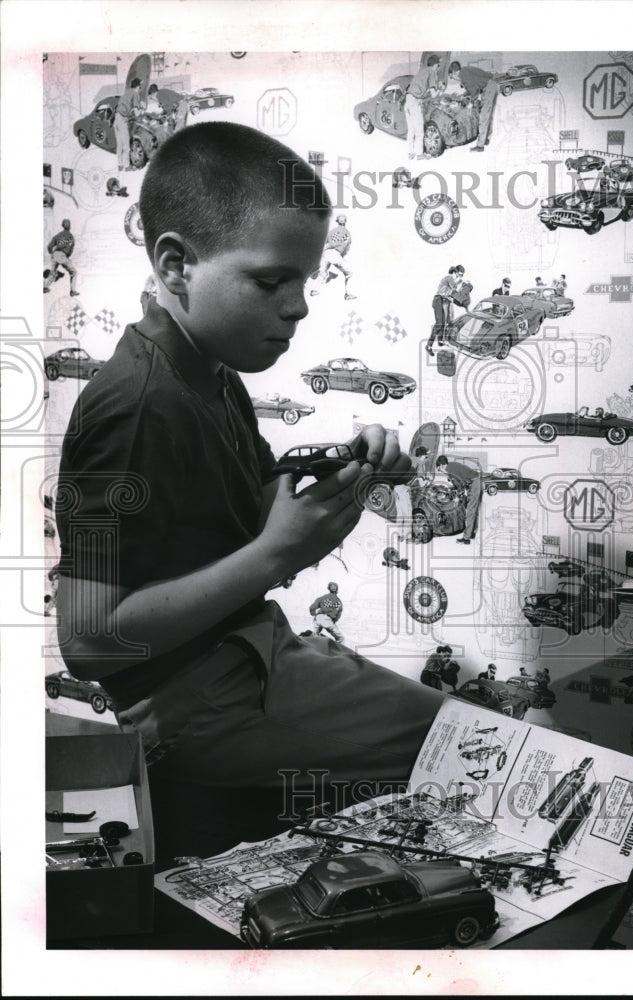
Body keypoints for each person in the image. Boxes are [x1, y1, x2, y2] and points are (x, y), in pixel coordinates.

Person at [54, 122, 445, 795]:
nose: (297, 307)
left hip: (252, 651)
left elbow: (255, 503)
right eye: (271, 281)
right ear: (176, 265)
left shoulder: (210, 370)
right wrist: (274, 556)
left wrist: (349, 475)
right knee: (474, 749)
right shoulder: (135, 406)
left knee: (469, 736)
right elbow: (88, 642)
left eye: (304, 281)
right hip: (190, 702)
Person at [446, 61, 500, 153]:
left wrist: (470, 104)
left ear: (455, 72)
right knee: (489, 115)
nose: (454, 79)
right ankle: (486, 139)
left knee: (484, 116)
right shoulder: (466, 70)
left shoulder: (463, 75)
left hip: (488, 88)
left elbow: (474, 92)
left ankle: (480, 146)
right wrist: (464, 94)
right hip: (493, 85)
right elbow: (474, 85)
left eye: (451, 76)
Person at [435, 454, 483, 545]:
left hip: (474, 484)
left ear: (441, 466)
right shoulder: (452, 465)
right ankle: (472, 533)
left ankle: (466, 538)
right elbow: (459, 481)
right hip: (478, 482)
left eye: (439, 470)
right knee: (474, 510)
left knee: (470, 511)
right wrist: (454, 488)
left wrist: (457, 497)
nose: (441, 472)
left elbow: (460, 486)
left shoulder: (450, 470)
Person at [309, 214, 355, 300]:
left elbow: (327, 242)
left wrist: (323, 251)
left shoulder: (332, 231)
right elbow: (334, 244)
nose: (342, 220)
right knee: (350, 273)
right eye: (341, 218)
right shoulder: (344, 232)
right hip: (333, 253)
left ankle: (314, 290)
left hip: (325, 254)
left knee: (323, 274)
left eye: (343, 218)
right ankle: (348, 294)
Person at [405, 54, 440, 160]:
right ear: (435, 65)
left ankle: (410, 153)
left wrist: (423, 97)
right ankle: (420, 155)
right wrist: (440, 89)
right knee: (419, 129)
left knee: (411, 129)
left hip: (408, 99)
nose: (438, 67)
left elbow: (421, 91)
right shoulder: (432, 72)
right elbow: (434, 94)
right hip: (414, 101)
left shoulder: (422, 71)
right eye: (438, 64)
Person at [426, 265, 465, 355]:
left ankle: (440, 341)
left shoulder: (448, 281)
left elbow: (451, 293)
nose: (458, 277)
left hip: (439, 300)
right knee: (439, 323)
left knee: (442, 323)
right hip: (438, 300)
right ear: (454, 273)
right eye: (457, 275)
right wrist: (462, 283)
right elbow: (455, 288)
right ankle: (428, 346)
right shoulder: (449, 278)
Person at [43, 218, 78, 296]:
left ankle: (45, 287)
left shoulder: (57, 235)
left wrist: (52, 252)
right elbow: (70, 251)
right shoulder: (71, 237)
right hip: (62, 256)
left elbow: (49, 247)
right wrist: (66, 258)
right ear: (70, 226)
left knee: (52, 273)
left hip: (54, 255)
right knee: (74, 272)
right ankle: (72, 291)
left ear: (62, 226)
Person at [114, 76, 142, 172]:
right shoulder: (135, 94)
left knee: (120, 144)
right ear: (138, 87)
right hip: (122, 120)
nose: (140, 89)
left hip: (116, 119)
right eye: (140, 87)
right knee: (126, 144)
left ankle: (120, 164)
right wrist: (142, 108)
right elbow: (137, 113)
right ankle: (127, 167)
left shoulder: (126, 92)